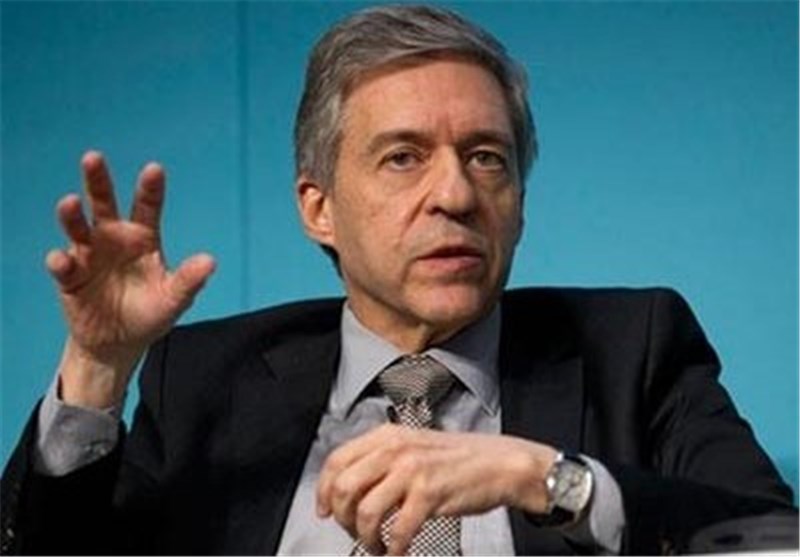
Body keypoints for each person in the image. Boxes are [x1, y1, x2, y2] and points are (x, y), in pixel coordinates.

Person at [0, 4, 794, 556]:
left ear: (519, 202)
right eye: (403, 157)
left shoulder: (632, 349)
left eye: (487, 157)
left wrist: (541, 476)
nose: (455, 194)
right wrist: (97, 369)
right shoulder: (210, 378)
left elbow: (772, 539)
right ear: (319, 208)